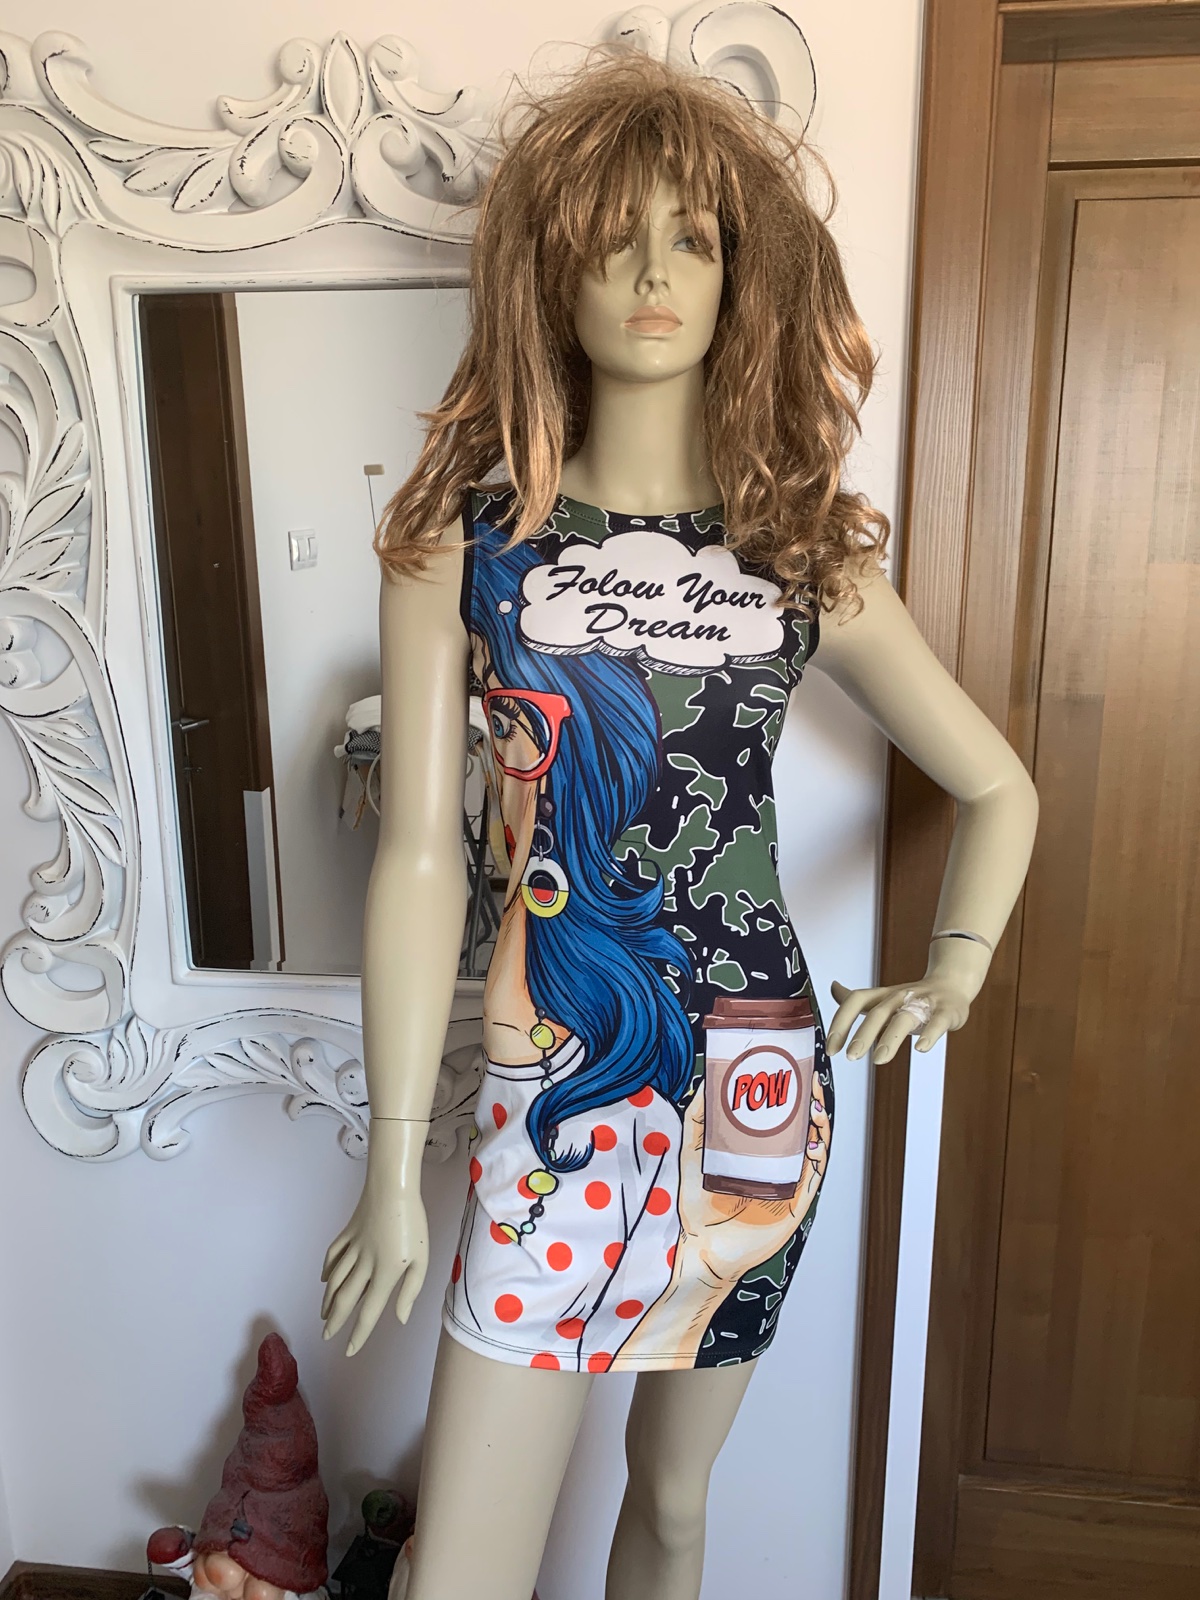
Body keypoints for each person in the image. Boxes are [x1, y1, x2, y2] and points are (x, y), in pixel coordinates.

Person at [320, 49, 1038, 1600]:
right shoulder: (467, 546)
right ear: (548, 272)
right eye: (612, 236)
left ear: (742, 277)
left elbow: (997, 785)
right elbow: (420, 852)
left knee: (673, 1509)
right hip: (555, 1079)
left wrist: (954, 971)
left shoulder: (802, 558)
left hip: (756, 1080)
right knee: (460, 1574)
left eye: (693, 238)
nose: (653, 274)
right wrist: (390, 1161)